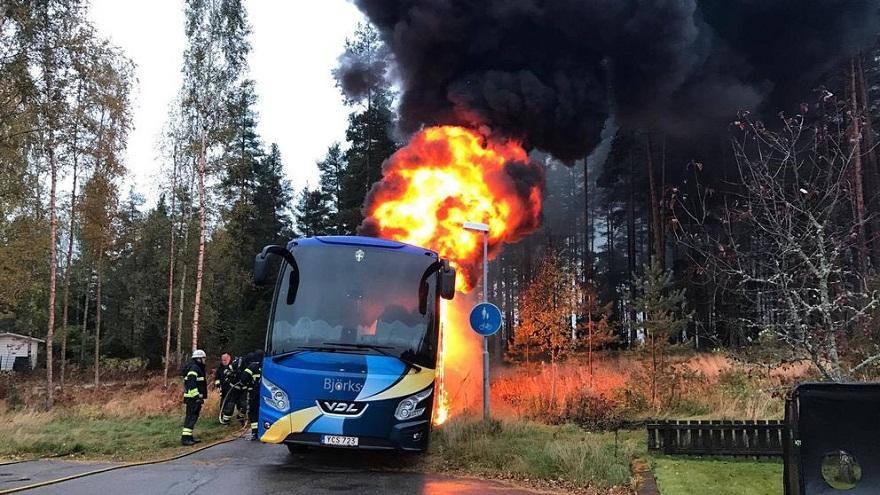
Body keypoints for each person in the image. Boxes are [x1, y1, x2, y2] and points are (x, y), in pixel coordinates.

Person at [181, 349, 207, 446]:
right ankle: (186, 438)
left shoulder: (195, 367)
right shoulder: (194, 368)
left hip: (193, 398)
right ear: (199, 359)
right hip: (193, 399)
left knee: (193, 418)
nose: (204, 361)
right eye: (203, 359)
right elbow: (191, 383)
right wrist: (196, 397)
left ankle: (189, 436)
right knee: (191, 418)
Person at [241, 350, 264, 440]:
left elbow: (244, 378)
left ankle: (255, 432)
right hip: (266, 394)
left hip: (254, 394)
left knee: (253, 412)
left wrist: (246, 385)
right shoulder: (267, 366)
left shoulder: (252, 366)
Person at [219, 355, 248, 425]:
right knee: (230, 405)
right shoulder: (236, 364)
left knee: (244, 405)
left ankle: (241, 418)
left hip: (243, 389)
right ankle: (225, 422)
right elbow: (226, 371)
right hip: (233, 389)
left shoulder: (250, 365)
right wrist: (230, 374)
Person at [214, 352, 233, 417]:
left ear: (229, 358)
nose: (224, 362)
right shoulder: (220, 368)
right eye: (222, 360)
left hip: (232, 389)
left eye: (225, 360)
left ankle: (227, 419)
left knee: (230, 404)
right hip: (224, 390)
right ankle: (222, 417)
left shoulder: (233, 367)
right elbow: (217, 378)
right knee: (223, 404)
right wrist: (218, 386)